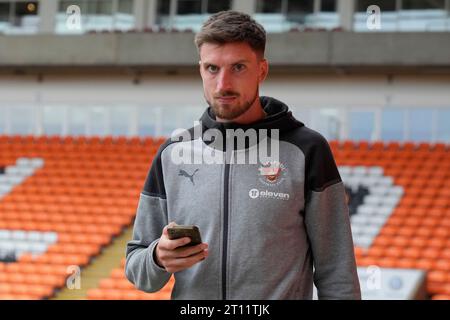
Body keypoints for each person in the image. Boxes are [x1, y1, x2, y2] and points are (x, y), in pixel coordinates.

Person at [125, 10, 361, 300]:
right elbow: (137, 267)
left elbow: (337, 274)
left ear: (261, 70)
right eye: (212, 68)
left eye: (238, 67)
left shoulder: (307, 151)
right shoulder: (172, 154)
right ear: (200, 69)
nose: (223, 84)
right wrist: (158, 259)